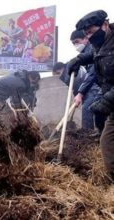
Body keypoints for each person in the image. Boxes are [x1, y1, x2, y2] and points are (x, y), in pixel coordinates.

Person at [66, 10, 114, 176]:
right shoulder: (100, 43)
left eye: (92, 32)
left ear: (105, 25)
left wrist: (106, 102)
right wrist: (78, 60)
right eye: (87, 34)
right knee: (108, 143)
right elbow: (94, 55)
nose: (90, 37)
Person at [61, 30, 106, 132]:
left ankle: (88, 136)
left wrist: (80, 93)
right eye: (73, 43)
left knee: (88, 107)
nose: (76, 45)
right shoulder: (85, 53)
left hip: (99, 85)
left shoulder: (92, 49)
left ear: (85, 39)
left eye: (77, 41)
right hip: (95, 85)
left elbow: (92, 72)